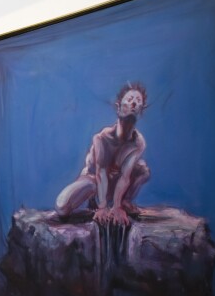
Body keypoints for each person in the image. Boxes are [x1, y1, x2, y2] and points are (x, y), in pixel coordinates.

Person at [55, 81, 151, 226]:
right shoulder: (102, 138)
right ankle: (97, 201)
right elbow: (101, 173)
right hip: (94, 181)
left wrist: (117, 206)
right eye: (130, 99)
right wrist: (102, 206)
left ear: (141, 110)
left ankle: (124, 202)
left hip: (115, 183)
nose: (134, 103)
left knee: (143, 170)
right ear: (118, 107)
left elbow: (125, 176)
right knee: (61, 207)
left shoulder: (138, 142)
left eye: (138, 101)